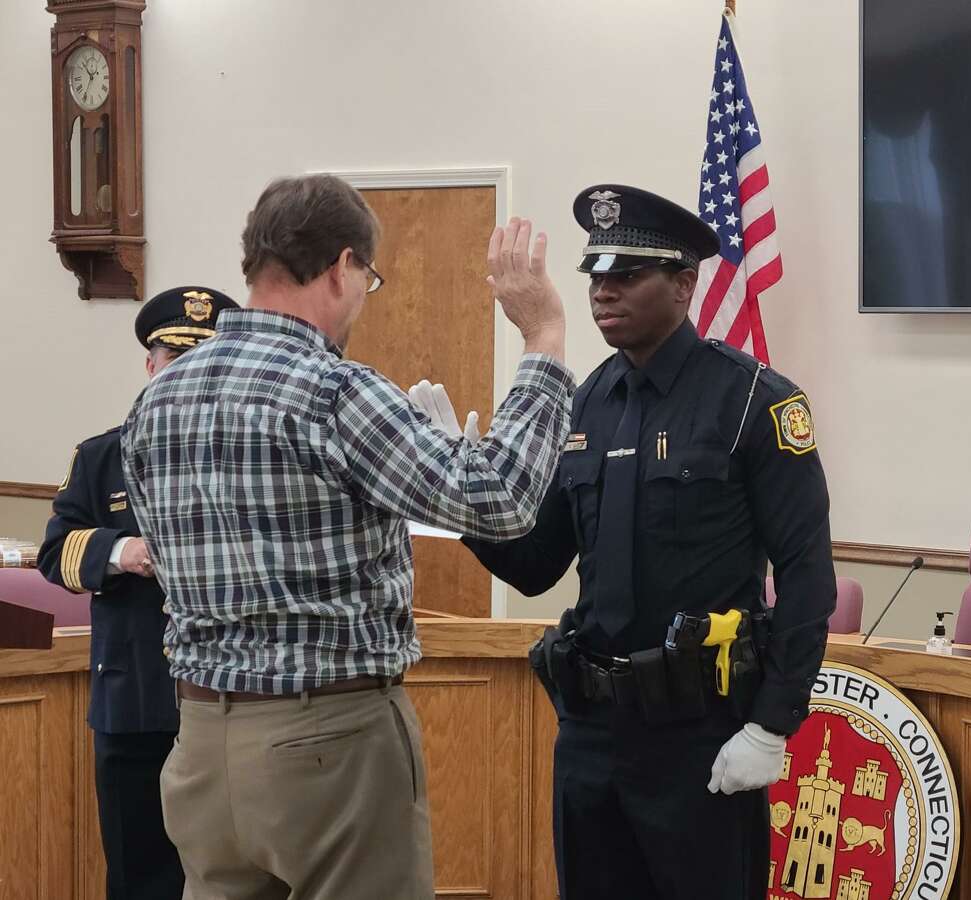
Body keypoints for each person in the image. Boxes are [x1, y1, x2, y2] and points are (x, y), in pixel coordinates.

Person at [119, 173, 573, 899]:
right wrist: (543, 339)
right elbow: (502, 499)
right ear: (342, 267)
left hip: (201, 742)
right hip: (330, 743)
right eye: (370, 276)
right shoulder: (332, 391)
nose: (365, 293)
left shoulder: (155, 401)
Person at [448, 185, 836, 899]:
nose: (603, 292)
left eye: (627, 275)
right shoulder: (587, 398)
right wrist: (462, 496)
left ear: (685, 285)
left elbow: (809, 578)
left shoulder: (756, 400)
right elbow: (537, 567)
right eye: (596, 276)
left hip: (702, 735)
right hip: (592, 733)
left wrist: (772, 725)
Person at [38, 285, 239, 900]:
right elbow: (55, 553)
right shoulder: (102, 457)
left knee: (234, 875)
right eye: (173, 359)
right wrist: (123, 552)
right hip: (136, 701)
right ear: (150, 365)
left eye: (202, 362)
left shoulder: (248, 454)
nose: (183, 375)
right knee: (139, 876)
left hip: (233, 699)